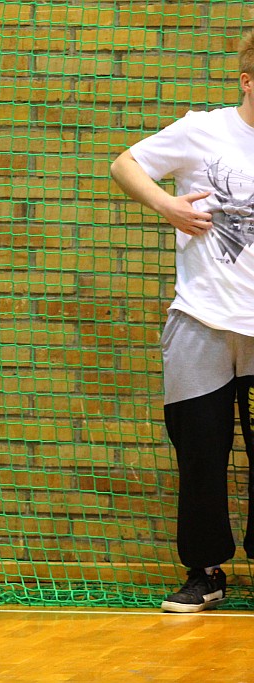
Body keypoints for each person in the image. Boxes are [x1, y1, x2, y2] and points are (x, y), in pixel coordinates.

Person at [110, 30, 254, 614]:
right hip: (201, 318)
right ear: (248, 79)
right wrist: (167, 205)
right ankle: (206, 570)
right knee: (199, 450)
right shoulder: (205, 129)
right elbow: (125, 164)